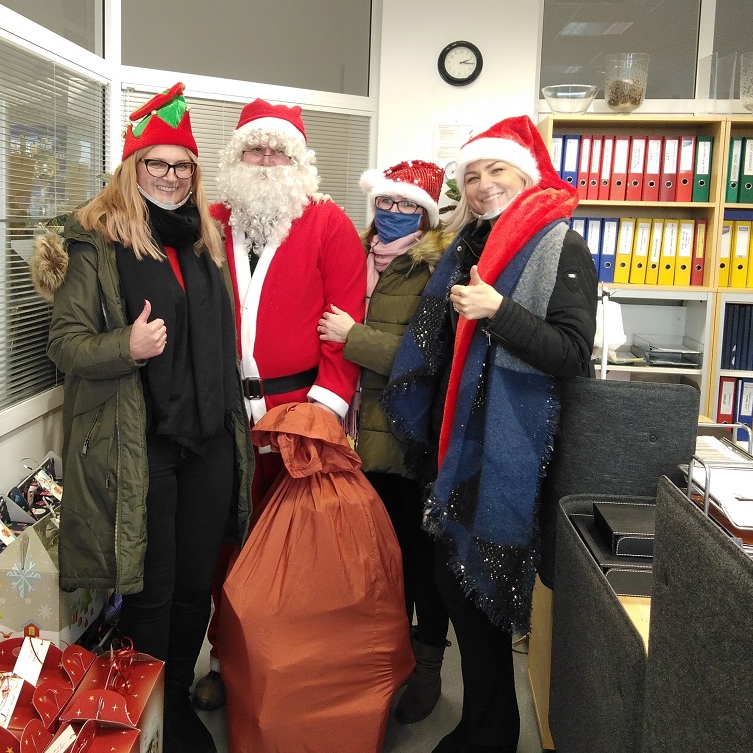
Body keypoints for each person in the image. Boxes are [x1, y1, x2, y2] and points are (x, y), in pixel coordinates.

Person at [30, 83, 253, 753]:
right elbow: (64, 344)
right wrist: (124, 346)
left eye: (182, 165)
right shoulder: (96, 242)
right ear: (132, 167)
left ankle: (175, 702)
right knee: (150, 593)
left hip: (209, 440)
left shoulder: (202, 240)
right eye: (157, 163)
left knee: (193, 589)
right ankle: (141, 712)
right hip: (141, 444)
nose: (171, 175)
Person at [383, 115, 597, 753]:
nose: (481, 185)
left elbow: (571, 352)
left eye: (495, 170)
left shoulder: (561, 246)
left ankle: (492, 732)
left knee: (480, 600)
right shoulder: (467, 245)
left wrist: (498, 312)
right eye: (471, 175)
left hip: (507, 448)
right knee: (455, 588)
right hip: (452, 443)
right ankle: (485, 725)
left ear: (525, 176)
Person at [191, 98, 366, 710]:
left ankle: (287, 673)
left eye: (278, 151)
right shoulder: (209, 221)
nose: (265, 162)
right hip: (220, 416)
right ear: (236, 157)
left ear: (299, 161)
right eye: (253, 150)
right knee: (226, 548)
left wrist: (324, 409)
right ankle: (227, 662)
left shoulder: (329, 224)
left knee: (295, 552)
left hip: (298, 414)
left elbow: (348, 323)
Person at [317, 159, 453, 725]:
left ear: (425, 213)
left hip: (406, 436)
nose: (393, 214)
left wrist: (355, 339)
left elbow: (430, 362)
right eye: (386, 204)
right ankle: (384, 661)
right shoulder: (354, 256)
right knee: (373, 561)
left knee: (418, 559)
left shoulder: (435, 268)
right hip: (354, 434)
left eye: (406, 206)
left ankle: (426, 666)